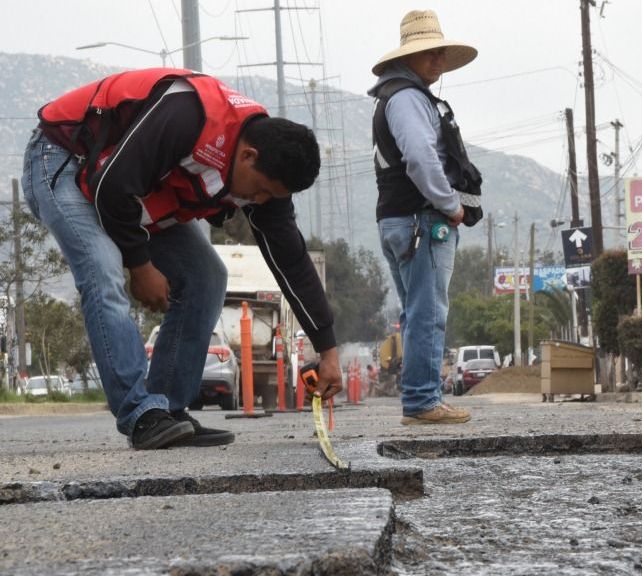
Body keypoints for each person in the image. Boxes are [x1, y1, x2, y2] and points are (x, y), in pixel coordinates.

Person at [23, 68, 343, 450]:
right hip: (63, 159)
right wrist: (141, 266)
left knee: (206, 276)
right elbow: (112, 188)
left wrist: (328, 350)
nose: (257, 203)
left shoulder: (267, 178)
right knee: (103, 269)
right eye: (258, 190)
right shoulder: (187, 114)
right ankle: (140, 413)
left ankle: (169, 410)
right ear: (248, 155)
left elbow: (291, 262)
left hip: (125, 191)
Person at [369, 10, 482, 425]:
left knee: (415, 313)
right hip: (421, 221)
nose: (438, 61)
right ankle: (421, 401)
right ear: (409, 57)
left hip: (397, 219)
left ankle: (420, 398)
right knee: (428, 313)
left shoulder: (392, 98)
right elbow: (420, 157)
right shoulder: (409, 99)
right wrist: (450, 204)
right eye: (430, 53)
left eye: (440, 54)